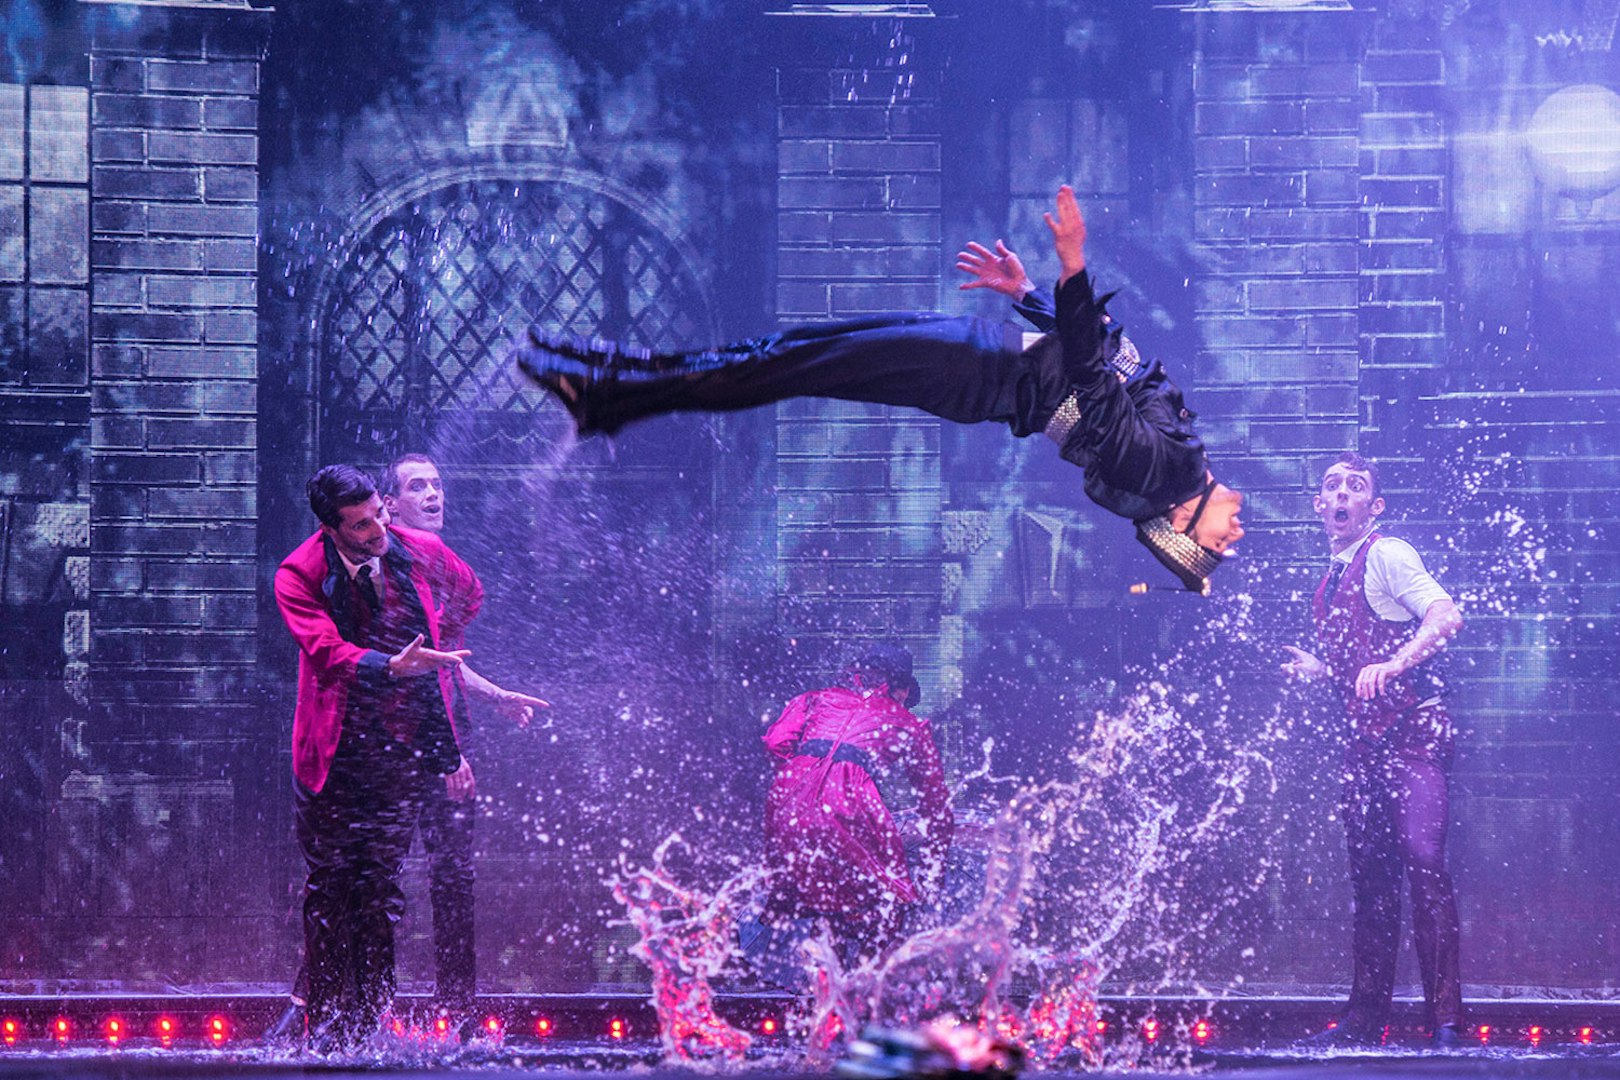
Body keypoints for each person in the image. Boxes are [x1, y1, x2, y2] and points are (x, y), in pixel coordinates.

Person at [512, 185, 1244, 594]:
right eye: (1220, 548)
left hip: (975, 371)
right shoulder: (1177, 456)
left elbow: (1089, 373)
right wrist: (1026, 294)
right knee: (791, 353)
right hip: (984, 360)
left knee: (789, 364)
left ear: (1182, 517)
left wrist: (1073, 265)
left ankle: (609, 393)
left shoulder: (1159, 471)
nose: (1232, 538)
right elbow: (1111, 359)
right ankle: (611, 383)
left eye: (1212, 546)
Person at [268, 457, 547, 1043]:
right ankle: (323, 1025)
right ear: (331, 527)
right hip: (335, 749)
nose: (378, 531)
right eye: (362, 525)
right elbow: (326, 653)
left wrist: (447, 662)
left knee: (379, 889)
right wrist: (390, 665)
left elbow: (462, 608)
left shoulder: (413, 551)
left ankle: (369, 1024)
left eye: (379, 516)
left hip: (398, 746)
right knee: (332, 886)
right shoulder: (298, 573)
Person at [1281, 453, 1466, 1048]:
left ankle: (1446, 1022)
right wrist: (1322, 670)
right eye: (1332, 486)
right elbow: (1359, 667)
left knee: (1424, 863)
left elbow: (1446, 616)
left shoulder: (1388, 553)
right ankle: (1365, 1020)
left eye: (1354, 486)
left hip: (1415, 732)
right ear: (1319, 505)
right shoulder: (1327, 583)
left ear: (1373, 506)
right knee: (1372, 881)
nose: (1341, 494)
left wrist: (1395, 663)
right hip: (1364, 744)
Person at [757, 643, 953, 965]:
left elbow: (776, 742)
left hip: (787, 802)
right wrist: (935, 865)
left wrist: (806, 777)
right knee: (889, 901)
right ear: (901, 689)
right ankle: (862, 981)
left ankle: (820, 979)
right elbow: (934, 802)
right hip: (850, 803)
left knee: (823, 901)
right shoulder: (908, 723)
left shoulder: (814, 699)